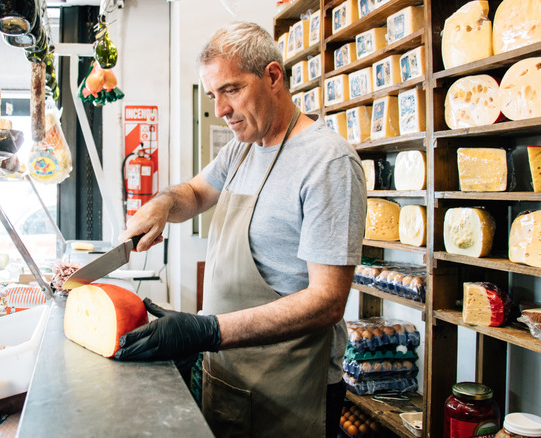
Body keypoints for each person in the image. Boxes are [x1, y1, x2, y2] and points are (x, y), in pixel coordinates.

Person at [115, 21, 366, 438]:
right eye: (213, 95)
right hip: (228, 370)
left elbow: (327, 301)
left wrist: (206, 329)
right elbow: (195, 193)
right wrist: (160, 205)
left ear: (272, 77)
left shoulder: (327, 162)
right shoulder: (242, 148)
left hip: (291, 388)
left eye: (231, 90)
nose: (221, 110)